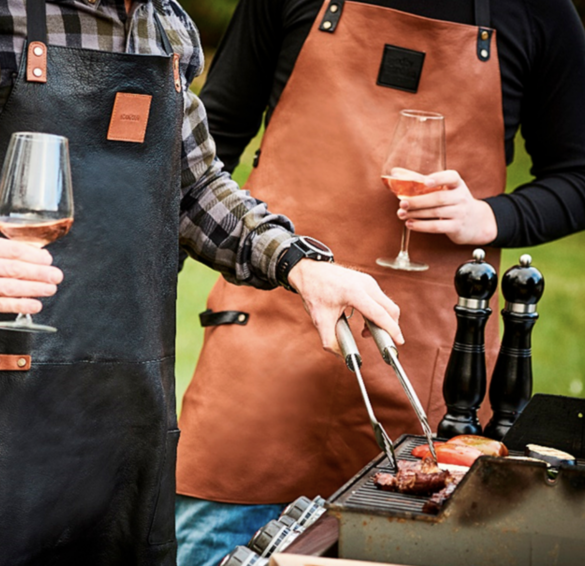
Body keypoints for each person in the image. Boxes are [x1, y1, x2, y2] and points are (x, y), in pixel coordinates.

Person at [0, 1, 403, 564]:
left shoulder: (166, 24)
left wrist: (302, 266)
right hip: (1, 403)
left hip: (124, 402)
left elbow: (194, 184)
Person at [174, 0, 585, 563]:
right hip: (265, 347)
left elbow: (579, 173)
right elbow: (207, 142)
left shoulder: (537, 14)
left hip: (429, 369)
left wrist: (492, 218)